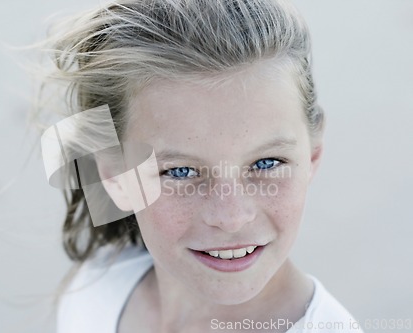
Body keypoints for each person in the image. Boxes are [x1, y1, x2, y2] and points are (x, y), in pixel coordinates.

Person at [39, 0, 364, 332]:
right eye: (181, 172)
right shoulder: (94, 292)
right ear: (115, 176)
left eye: (267, 163)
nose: (231, 217)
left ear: (312, 157)